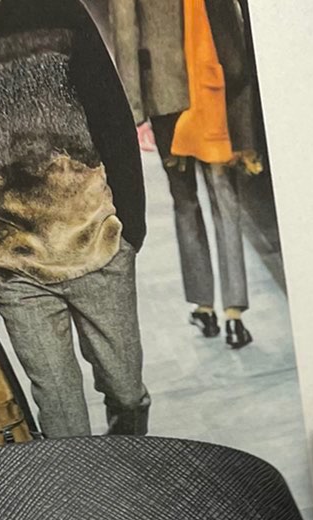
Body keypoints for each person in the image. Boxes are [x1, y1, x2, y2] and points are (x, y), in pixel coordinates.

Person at [0, 0, 150, 434]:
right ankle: (78, 483)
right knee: (61, 417)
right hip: (14, 262)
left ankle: (127, 469)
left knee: (127, 394)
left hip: (95, 242)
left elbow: (111, 115)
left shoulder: (59, 9)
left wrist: (130, 227)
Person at [112, 0, 262, 348]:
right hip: (213, 77)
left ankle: (204, 307)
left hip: (166, 92)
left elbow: (125, 29)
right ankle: (235, 316)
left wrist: (134, 110)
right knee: (225, 196)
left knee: (184, 201)